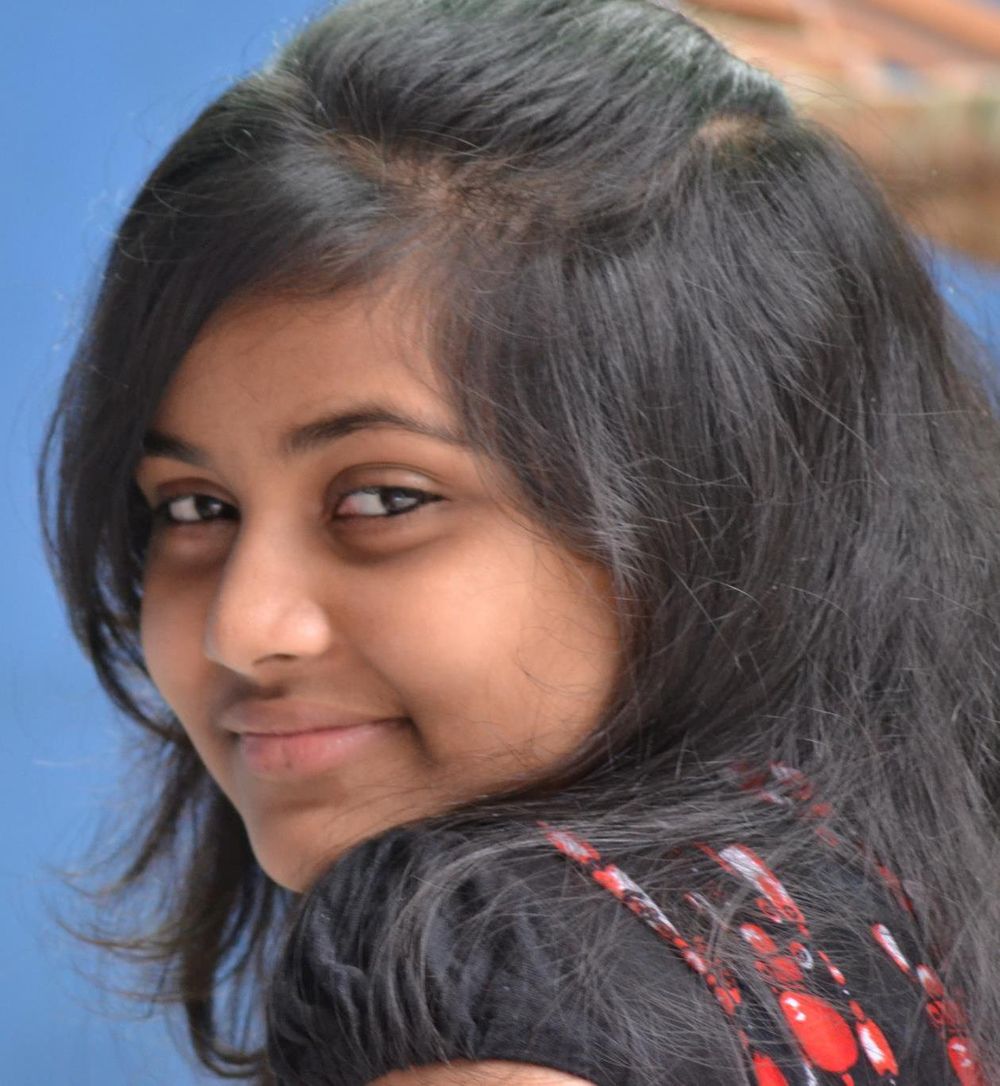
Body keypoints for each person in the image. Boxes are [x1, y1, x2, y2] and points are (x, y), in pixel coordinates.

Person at [36, 0, 1000, 1083]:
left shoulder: (490, 958)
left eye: (384, 499)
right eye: (193, 508)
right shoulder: (889, 906)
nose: (243, 628)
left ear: (714, 505)